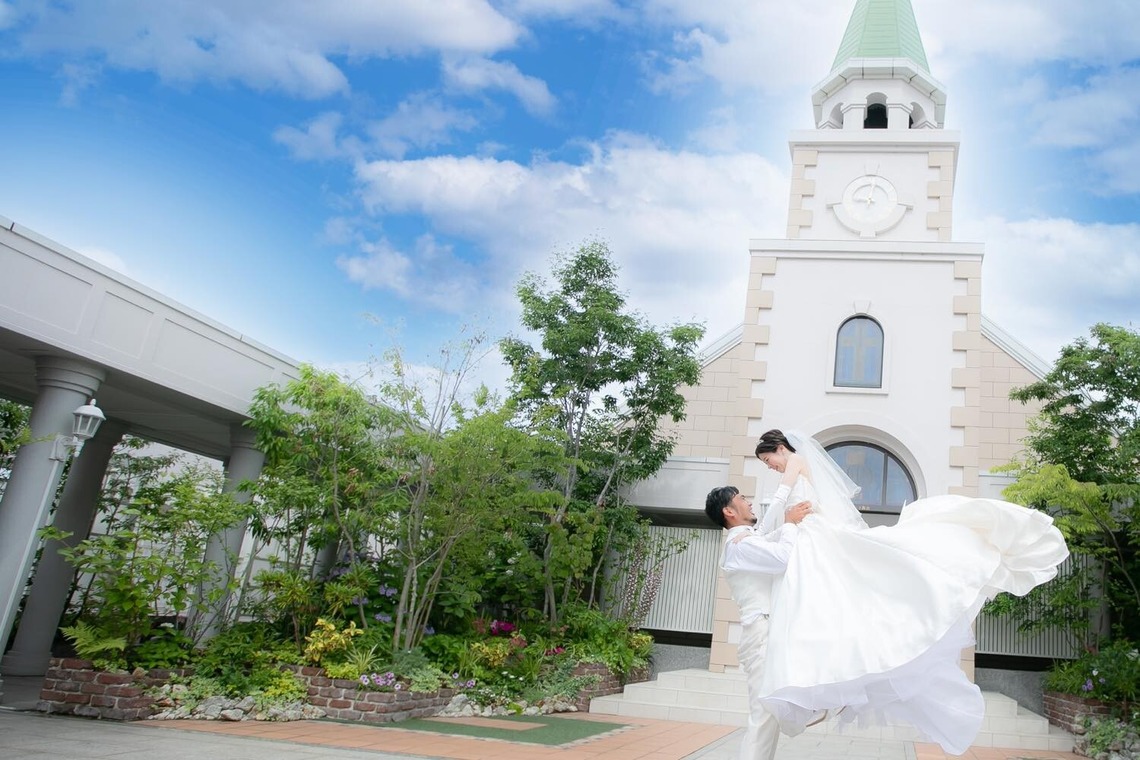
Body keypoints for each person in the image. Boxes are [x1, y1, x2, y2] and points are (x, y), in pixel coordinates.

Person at [744, 429, 1069, 755]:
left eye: (767, 460)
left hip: (810, 538)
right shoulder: (798, 466)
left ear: (779, 448)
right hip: (805, 538)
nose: (769, 467)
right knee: (828, 608)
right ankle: (826, 679)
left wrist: (758, 531)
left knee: (836, 597)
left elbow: (779, 503)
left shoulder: (795, 460)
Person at [704, 486, 813, 760]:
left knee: (770, 715)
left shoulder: (748, 539)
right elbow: (782, 558)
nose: (749, 502)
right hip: (760, 631)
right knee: (764, 714)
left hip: (770, 630)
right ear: (728, 512)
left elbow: (770, 538)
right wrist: (788, 524)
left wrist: (789, 517)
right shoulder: (740, 544)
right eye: (741, 499)